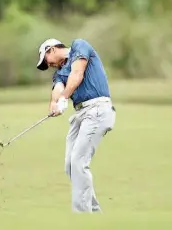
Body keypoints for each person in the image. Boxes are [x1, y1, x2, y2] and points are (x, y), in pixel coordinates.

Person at [36, 38, 116, 213]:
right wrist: (54, 104)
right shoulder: (58, 73)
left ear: (52, 50)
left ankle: (82, 216)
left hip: (97, 109)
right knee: (70, 165)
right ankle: (94, 214)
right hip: (81, 115)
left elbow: (77, 74)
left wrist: (64, 97)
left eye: (46, 60)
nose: (47, 65)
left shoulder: (79, 47)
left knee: (79, 161)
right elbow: (57, 88)